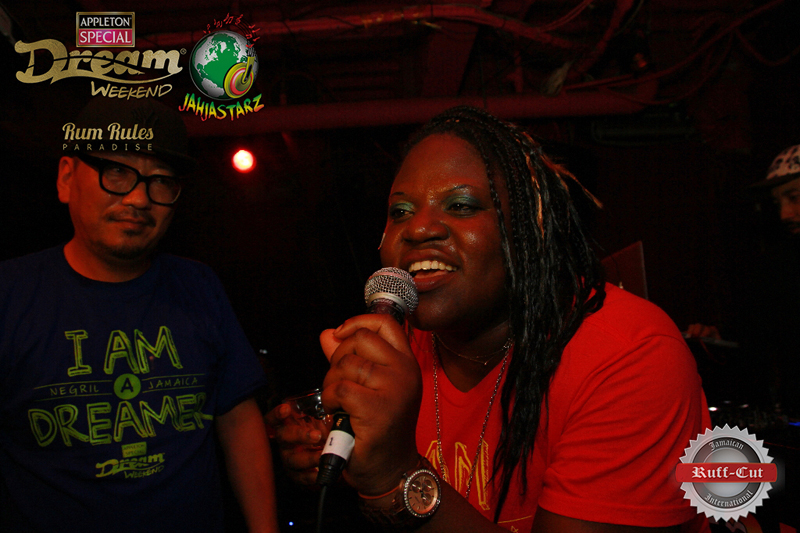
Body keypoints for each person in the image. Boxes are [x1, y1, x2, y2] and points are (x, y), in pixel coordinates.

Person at [269, 106, 711, 532]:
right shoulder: (397, 352)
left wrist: (395, 475)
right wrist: (340, 450)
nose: (418, 228)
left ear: (528, 230)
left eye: (461, 205)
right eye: (400, 211)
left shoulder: (629, 356)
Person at [0, 97, 279, 532]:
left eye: (161, 181)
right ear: (67, 178)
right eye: (117, 171)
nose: (138, 198)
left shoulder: (199, 286)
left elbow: (238, 420)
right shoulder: (10, 294)